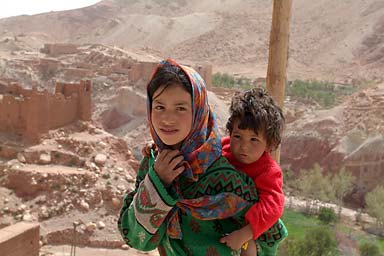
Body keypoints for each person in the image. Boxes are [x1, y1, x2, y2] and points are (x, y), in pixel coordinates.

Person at [117, 58, 259, 255]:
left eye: (180, 108)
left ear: (199, 111)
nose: (167, 118)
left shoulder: (227, 175)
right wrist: (158, 183)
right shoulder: (153, 164)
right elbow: (137, 239)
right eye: (159, 107)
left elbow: (269, 235)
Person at [219, 88, 288, 256]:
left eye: (254, 140)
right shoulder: (223, 148)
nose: (244, 146)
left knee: (248, 247)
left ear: (269, 143)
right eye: (237, 136)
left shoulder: (268, 171)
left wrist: (244, 234)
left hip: (250, 232)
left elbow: (273, 206)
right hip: (220, 223)